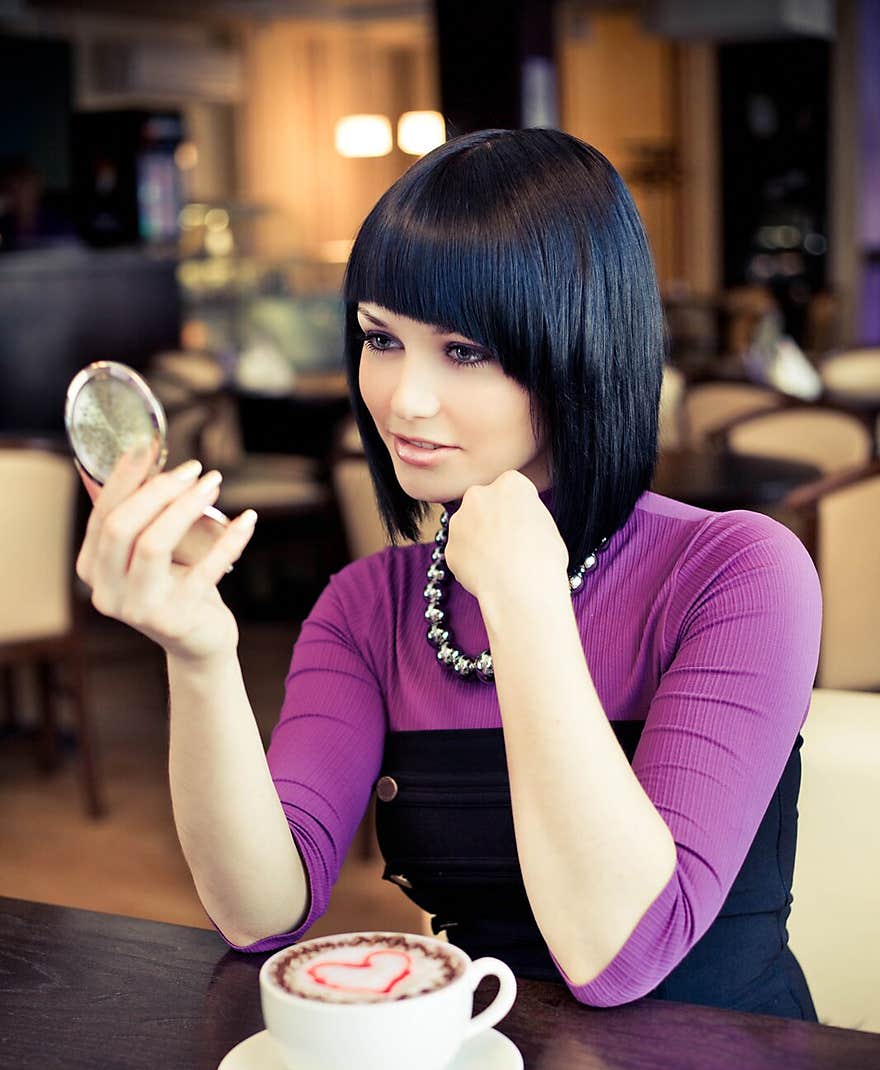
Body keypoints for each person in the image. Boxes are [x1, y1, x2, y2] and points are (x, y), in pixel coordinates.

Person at [74, 128, 822, 1019]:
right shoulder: (369, 607)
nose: (402, 399)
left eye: (462, 351)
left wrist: (525, 598)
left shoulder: (735, 573)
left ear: (579, 348)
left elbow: (620, 954)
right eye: (380, 340)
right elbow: (260, 912)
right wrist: (199, 655)